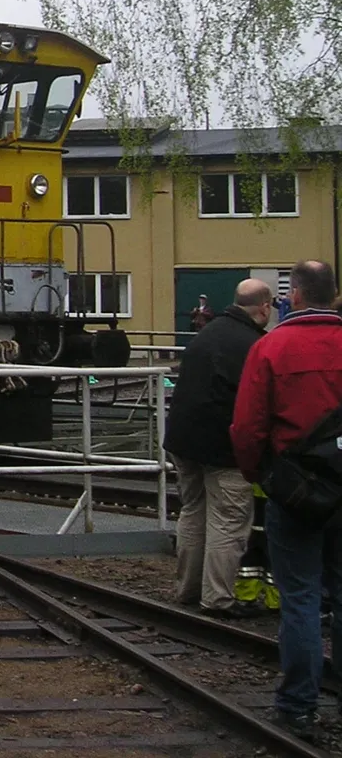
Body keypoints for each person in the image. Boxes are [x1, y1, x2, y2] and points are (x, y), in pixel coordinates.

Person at [230, 259, 342, 739]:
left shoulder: (271, 347)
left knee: (299, 596)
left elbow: (248, 427)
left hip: (296, 490)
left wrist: (263, 476)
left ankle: (298, 704)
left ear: (293, 295)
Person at [164, 278, 272, 617]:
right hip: (224, 448)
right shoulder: (255, 344)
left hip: (182, 441)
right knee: (228, 521)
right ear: (265, 307)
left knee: (193, 512)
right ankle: (218, 599)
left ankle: (188, 591)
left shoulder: (207, 333)